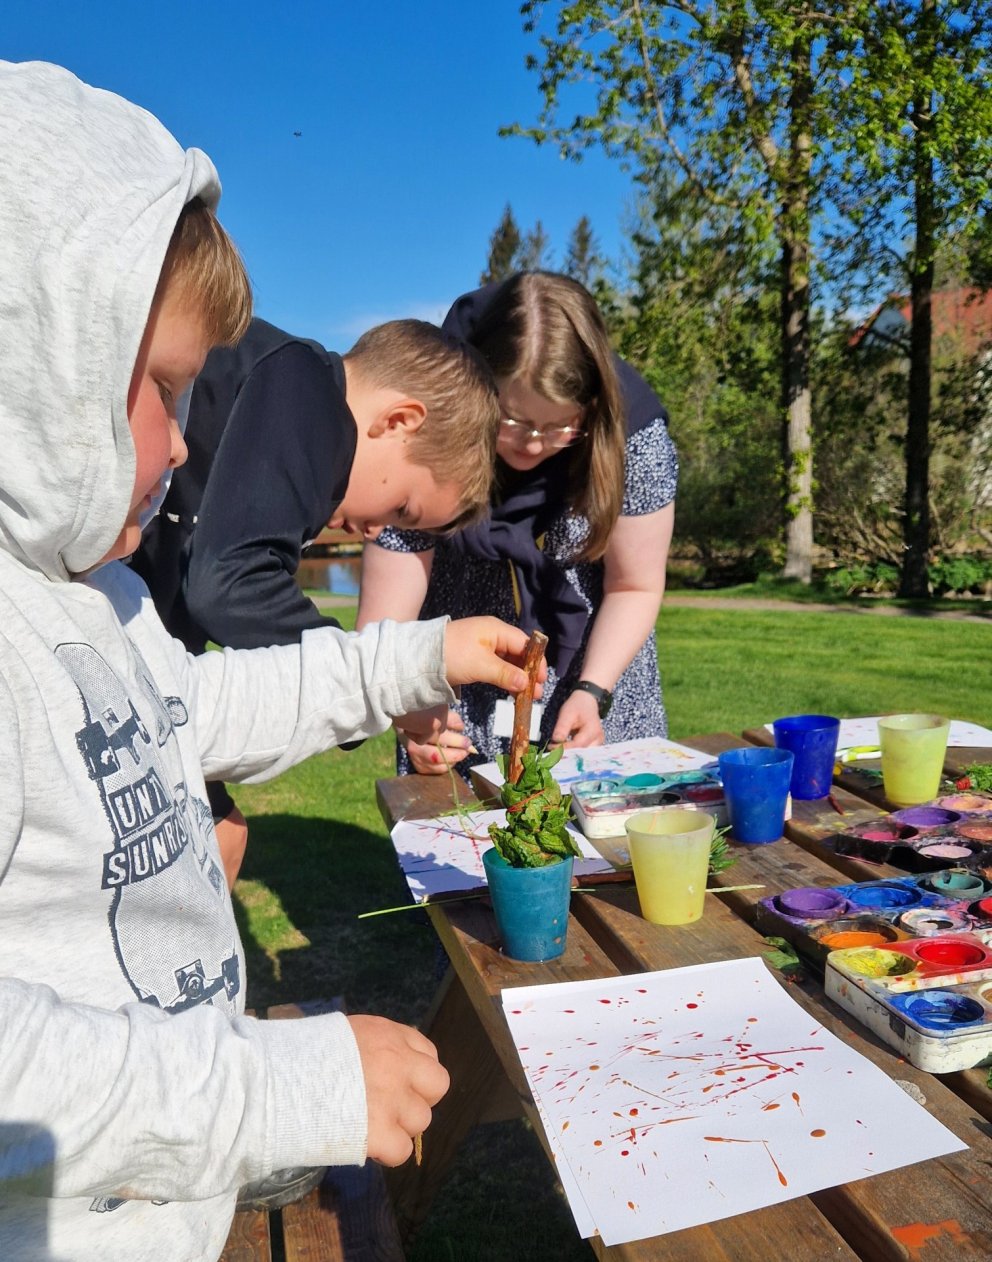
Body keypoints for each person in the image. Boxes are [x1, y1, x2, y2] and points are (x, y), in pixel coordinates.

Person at [0, 60, 542, 1262]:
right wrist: (265, 1090)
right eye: (161, 388)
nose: (190, 440)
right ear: (35, 349)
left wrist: (410, 658)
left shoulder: (99, 598)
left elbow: (192, 706)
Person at [130, 315, 500, 886]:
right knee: (208, 843)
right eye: (402, 507)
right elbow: (231, 582)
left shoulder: (290, 413)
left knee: (218, 839)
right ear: (399, 421)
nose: (378, 531)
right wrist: (386, 683)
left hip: (134, 653)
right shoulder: (307, 387)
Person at [357, 271, 679, 777]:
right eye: (513, 420)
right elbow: (384, 625)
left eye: (559, 427)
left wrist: (594, 691)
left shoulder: (631, 434)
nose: (532, 444)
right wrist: (409, 712)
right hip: (455, 712)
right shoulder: (429, 424)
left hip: (597, 697)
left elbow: (635, 585)